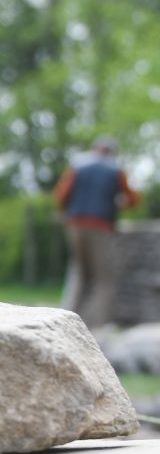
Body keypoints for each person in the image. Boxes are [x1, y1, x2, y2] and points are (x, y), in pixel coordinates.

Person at [54, 135, 141, 328]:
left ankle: (66, 319)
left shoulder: (78, 165)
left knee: (79, 272)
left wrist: (67, 212)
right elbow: (133, 199)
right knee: (104, 278)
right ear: (111, 151)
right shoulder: (116, 169)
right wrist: (119, 203)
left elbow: (61, 195)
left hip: (75, 224)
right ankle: (97, 326)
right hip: (101, 227)